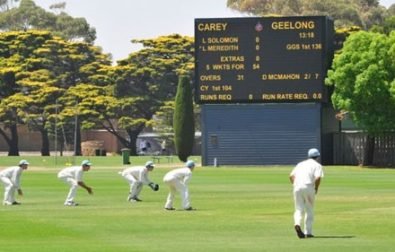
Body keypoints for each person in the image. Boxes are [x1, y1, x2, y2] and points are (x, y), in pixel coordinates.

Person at [289, 148, 324, 238]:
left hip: (297, 187)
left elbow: (291, 176)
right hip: (308, 187)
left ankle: (297, 223)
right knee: (309, 209)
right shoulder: (317, 165)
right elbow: (318, 178)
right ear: (317, 156)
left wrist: (295, 185)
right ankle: (308, 232)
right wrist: (316, 188)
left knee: (298, 209)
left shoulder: (300, 164)